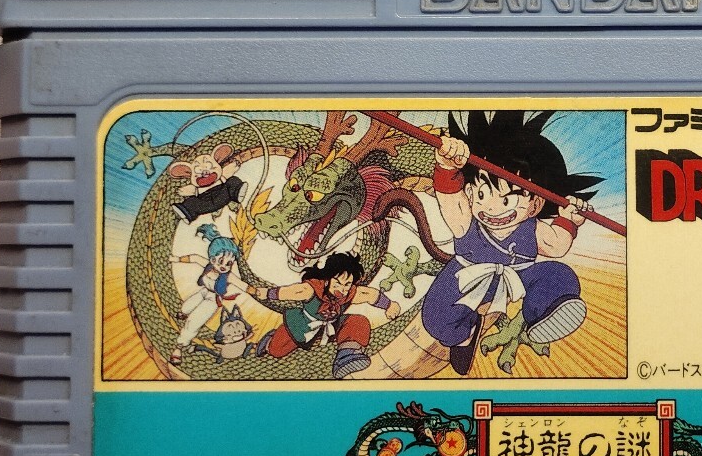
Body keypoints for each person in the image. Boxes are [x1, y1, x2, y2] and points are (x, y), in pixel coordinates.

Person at [421, 110, 601, 374]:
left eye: (507, 200)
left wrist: (569, 220)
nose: (492, 208)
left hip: (515, 278)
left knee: (559, 275)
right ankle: (464, 336)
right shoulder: (466, 222)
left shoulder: (532, 228)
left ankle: (541, 316)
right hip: (466, 277)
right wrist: (447, 166)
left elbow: (557, 247)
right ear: (470, 192)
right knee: (436, 317)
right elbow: (449, 198)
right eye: (483, 194)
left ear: (535, 205)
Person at [249, 252, 400, 379]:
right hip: (304, 324)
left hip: (332, 325)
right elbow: (290, 292)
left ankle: (347, 355)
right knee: (277, 350)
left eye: (347, 284)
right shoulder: (312, 289)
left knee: (358, 322)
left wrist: (389, 305)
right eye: (337, 283)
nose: (342, 289)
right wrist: (266, 293)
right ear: (327, 279)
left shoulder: (349, 293)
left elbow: (369, 294)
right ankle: (270, 340)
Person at [173, 223, 252, 365]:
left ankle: (179, 347)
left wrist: (257, 292)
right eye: (221, 261)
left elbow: (243, 285)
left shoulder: (228, 276)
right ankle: (183, 313)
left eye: (229, 263)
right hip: (203, 292)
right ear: (212, 259)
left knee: (194, 321)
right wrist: (177, 259)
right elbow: (194, 258)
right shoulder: (208, 265)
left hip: (213, 301)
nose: (224, 266)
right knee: (186, 307)